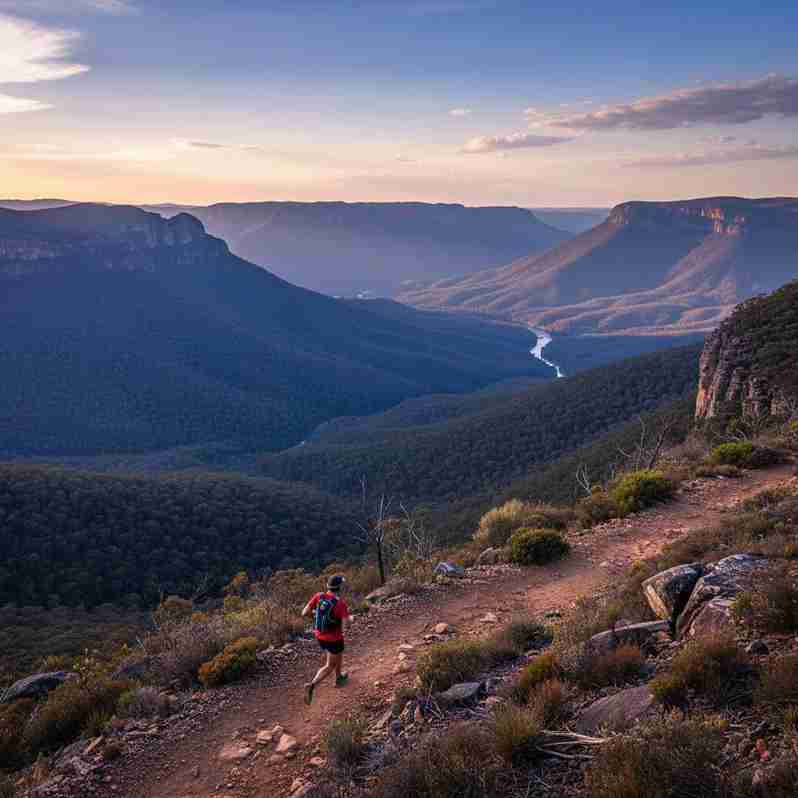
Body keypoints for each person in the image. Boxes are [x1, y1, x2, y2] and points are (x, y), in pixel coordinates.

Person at [301, 574, 351, 705]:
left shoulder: (319, 596)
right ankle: (312, 685)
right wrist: (350, 619)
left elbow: (304, 613)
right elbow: (346, 625)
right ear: (339, 588)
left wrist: (316, 616)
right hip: (334, 638)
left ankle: (339, 677)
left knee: (337, 655)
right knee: (330, 665)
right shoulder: (340, 604)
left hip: (320, 635)